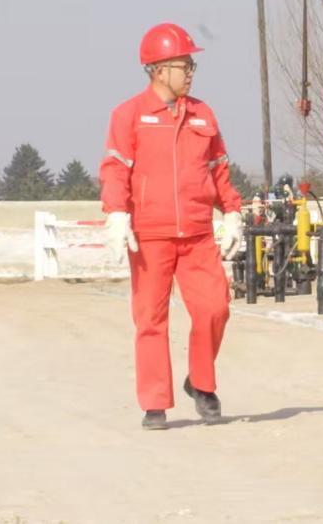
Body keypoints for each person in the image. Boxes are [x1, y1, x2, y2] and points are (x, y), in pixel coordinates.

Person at [100, 23, 245, 431]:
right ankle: (155, 403)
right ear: (159, 69)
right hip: (150, 236)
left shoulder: (203, 114)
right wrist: (116, 213)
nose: (191, 72)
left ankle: (200, 382)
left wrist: (232, 212)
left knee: (215, 308)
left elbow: (219, 170)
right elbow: (115, 169)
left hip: (197, 234)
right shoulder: (129, 115)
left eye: (191, 64)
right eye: (185, 65)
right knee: (151, 319)